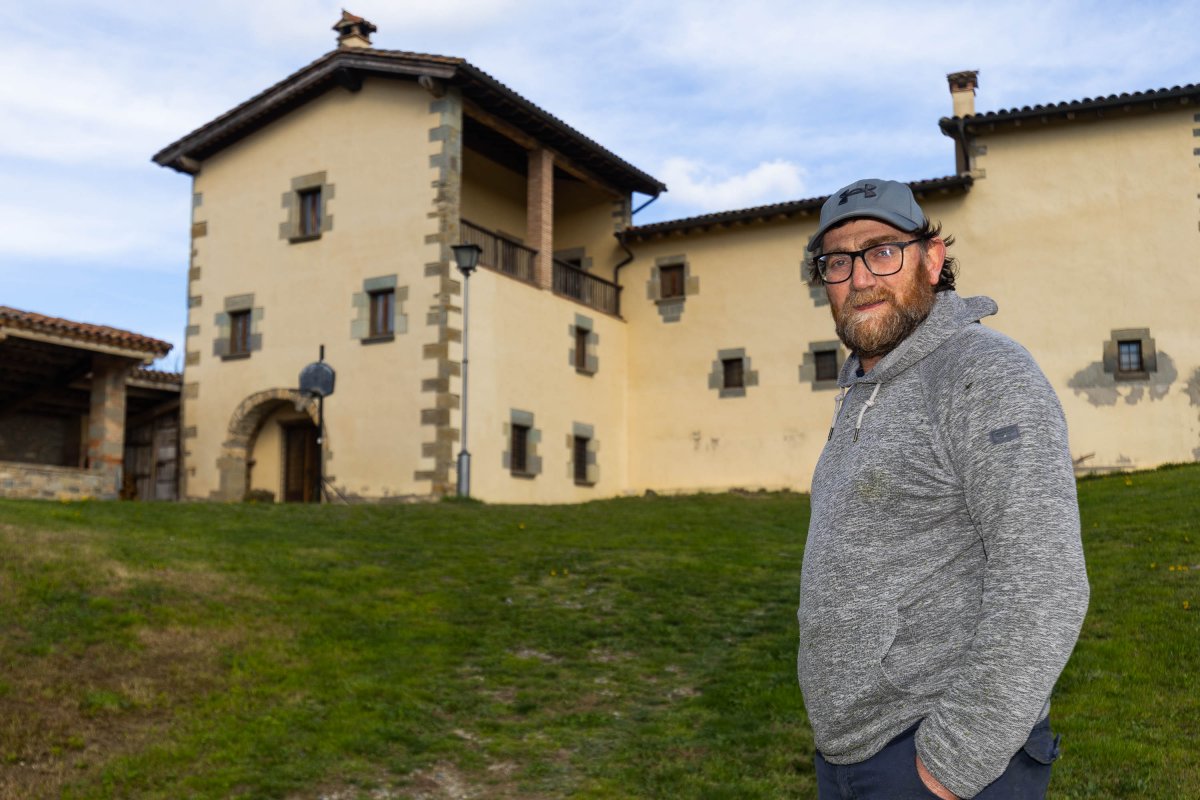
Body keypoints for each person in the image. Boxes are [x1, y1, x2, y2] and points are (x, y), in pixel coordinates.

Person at [796, 178, 1090, 799]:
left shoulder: (982, 373)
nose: (860, 279)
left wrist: (951, 765)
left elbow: (1046, 582)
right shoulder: (862, 392)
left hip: (940, 759)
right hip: (852, 757)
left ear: (932, 259)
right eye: (837, 262)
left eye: (882, 252)